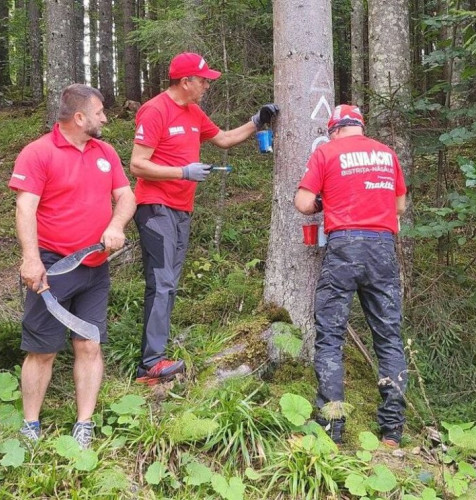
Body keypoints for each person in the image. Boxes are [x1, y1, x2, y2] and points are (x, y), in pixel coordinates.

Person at [130, 52, 278, 385]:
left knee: (169, 283)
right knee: (162, 282)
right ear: (185, 82)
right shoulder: (155, 110)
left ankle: (156, 358)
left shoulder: (194, 112)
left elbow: (223, 139)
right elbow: (138, 164)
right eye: (203, 80)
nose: (207, 85)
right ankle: (150, 364)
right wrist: (182, 171)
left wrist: (256, 121)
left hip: (181, 209)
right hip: (155, 206)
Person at [9, 84, 136, 448]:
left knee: (89, 346)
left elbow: (126, 195)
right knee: (42, 349)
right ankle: (31, 424)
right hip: (52, 269)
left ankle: (84, 424)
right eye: (99, 113)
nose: (105, 118)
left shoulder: (105, 152)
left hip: (95, 267)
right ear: (79, 117)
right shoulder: (38, 153)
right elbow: (25, 208)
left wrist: (115, 225)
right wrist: (31, 259)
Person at [294, 104, 407, 447]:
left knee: (330, 336)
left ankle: (332, 426)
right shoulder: (387, 154)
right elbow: (399, 206)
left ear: (334, 130)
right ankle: (392, 431)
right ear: (359, 126)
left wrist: (324, 203)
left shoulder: (327, 153)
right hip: (382, 246)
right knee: (388, 336)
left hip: (344, 245)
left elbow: (302, 202)